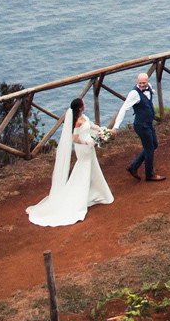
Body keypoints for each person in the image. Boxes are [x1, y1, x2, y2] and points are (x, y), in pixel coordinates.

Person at [26, 97, 116, 227]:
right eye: (83, 103)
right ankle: (79, 198)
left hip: (90, 146)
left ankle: (97, 193)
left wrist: (101, 130)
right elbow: (75, 138)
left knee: (93, 166)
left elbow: (91, 125)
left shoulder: (83, 117)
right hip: (84, 147)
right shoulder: (77, 122)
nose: (85, 104)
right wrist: (87, 142)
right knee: (83, 169)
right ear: (80, 107)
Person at [110, 72, 162, 182]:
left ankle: (134, 166)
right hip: (141, 125)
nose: (142, 85)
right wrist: (116, 127)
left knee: (154, 145)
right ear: (136, 82)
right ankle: (150, 174)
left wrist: (152, 92)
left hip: (149, 123)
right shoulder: (134, 93)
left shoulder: (149, 87)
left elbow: (150, 93)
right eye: (140, 83)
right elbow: (124, 109)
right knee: (149, 149)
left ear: (148, 82)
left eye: (144, 83)